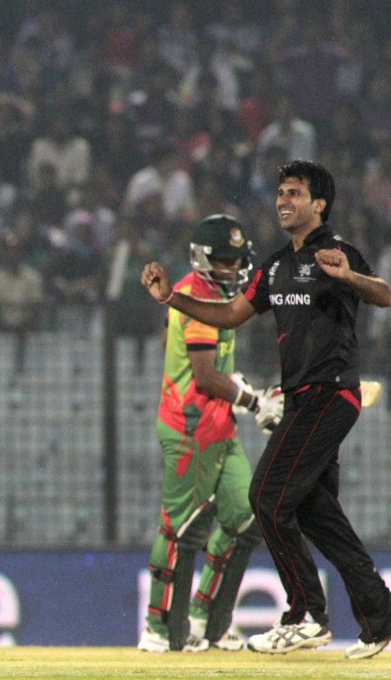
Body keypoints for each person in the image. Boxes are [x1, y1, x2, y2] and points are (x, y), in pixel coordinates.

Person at [141, 160, 391, 660]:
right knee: (317, 515)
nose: (283, 200)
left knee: (266, 497)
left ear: (318, 204)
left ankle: (305, 615)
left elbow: (384, 294)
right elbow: (231, 314)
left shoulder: (336, 253)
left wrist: (351, 278)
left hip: (329, 394)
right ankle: (378, 617)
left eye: (294, 193)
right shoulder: (275, 266)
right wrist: (173, 298)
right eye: (281, 192)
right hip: (301, 397)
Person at [137, 215, 265, 653]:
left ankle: (202, 620)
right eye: (225, 262)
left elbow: (192, 358)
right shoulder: (195, 295)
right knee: (181, 529)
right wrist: (253, 401)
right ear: (203, 259)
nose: (233, 269)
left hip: (218, 427)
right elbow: (206, 377)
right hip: (190, 429)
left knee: (247, 516)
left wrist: (238, 388)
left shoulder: (205, 298)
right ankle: (158, 628)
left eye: (237, 261)